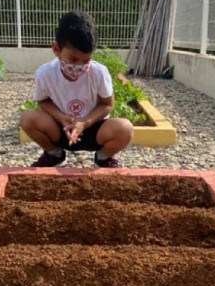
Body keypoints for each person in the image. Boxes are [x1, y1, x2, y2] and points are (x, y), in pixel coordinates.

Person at [20, 9, 133, 168]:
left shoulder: (99, 72)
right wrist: (61, 118)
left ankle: (103, 158)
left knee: (124, 128)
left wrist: (85, 123)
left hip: (93, 130)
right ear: (57, 50)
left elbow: (107, 104)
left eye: (86, 60)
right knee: (28, 119)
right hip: (61, 130)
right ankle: (54, 154)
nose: (79, 66)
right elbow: (43, 101)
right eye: (73, 59)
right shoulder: (45, 73)